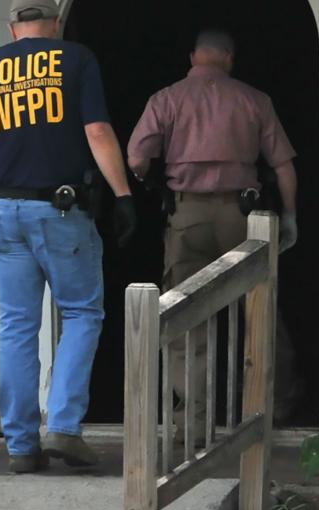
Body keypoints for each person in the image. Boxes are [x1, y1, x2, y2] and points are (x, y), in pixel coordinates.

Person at [0, 0, 137, 474]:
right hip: (60, 210)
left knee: (17, 324)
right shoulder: (76, 60)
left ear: (12, 28)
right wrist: (124, 194)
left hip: (1, 213)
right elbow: (96, 132)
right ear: (55, 22)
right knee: (83, 313)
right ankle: (65, 428)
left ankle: (21, 446)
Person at [127, 29, 299, 442]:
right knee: (259, 310)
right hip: (243, 216)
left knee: (187, 314)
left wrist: (151, 182)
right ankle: (269, 410)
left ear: (193, 56)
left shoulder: (166, 99)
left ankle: (193, 422)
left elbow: (136, 156)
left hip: (187, 215)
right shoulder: (254, 99)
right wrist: (291, 215)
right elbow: (283, 166)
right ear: (229, 58)